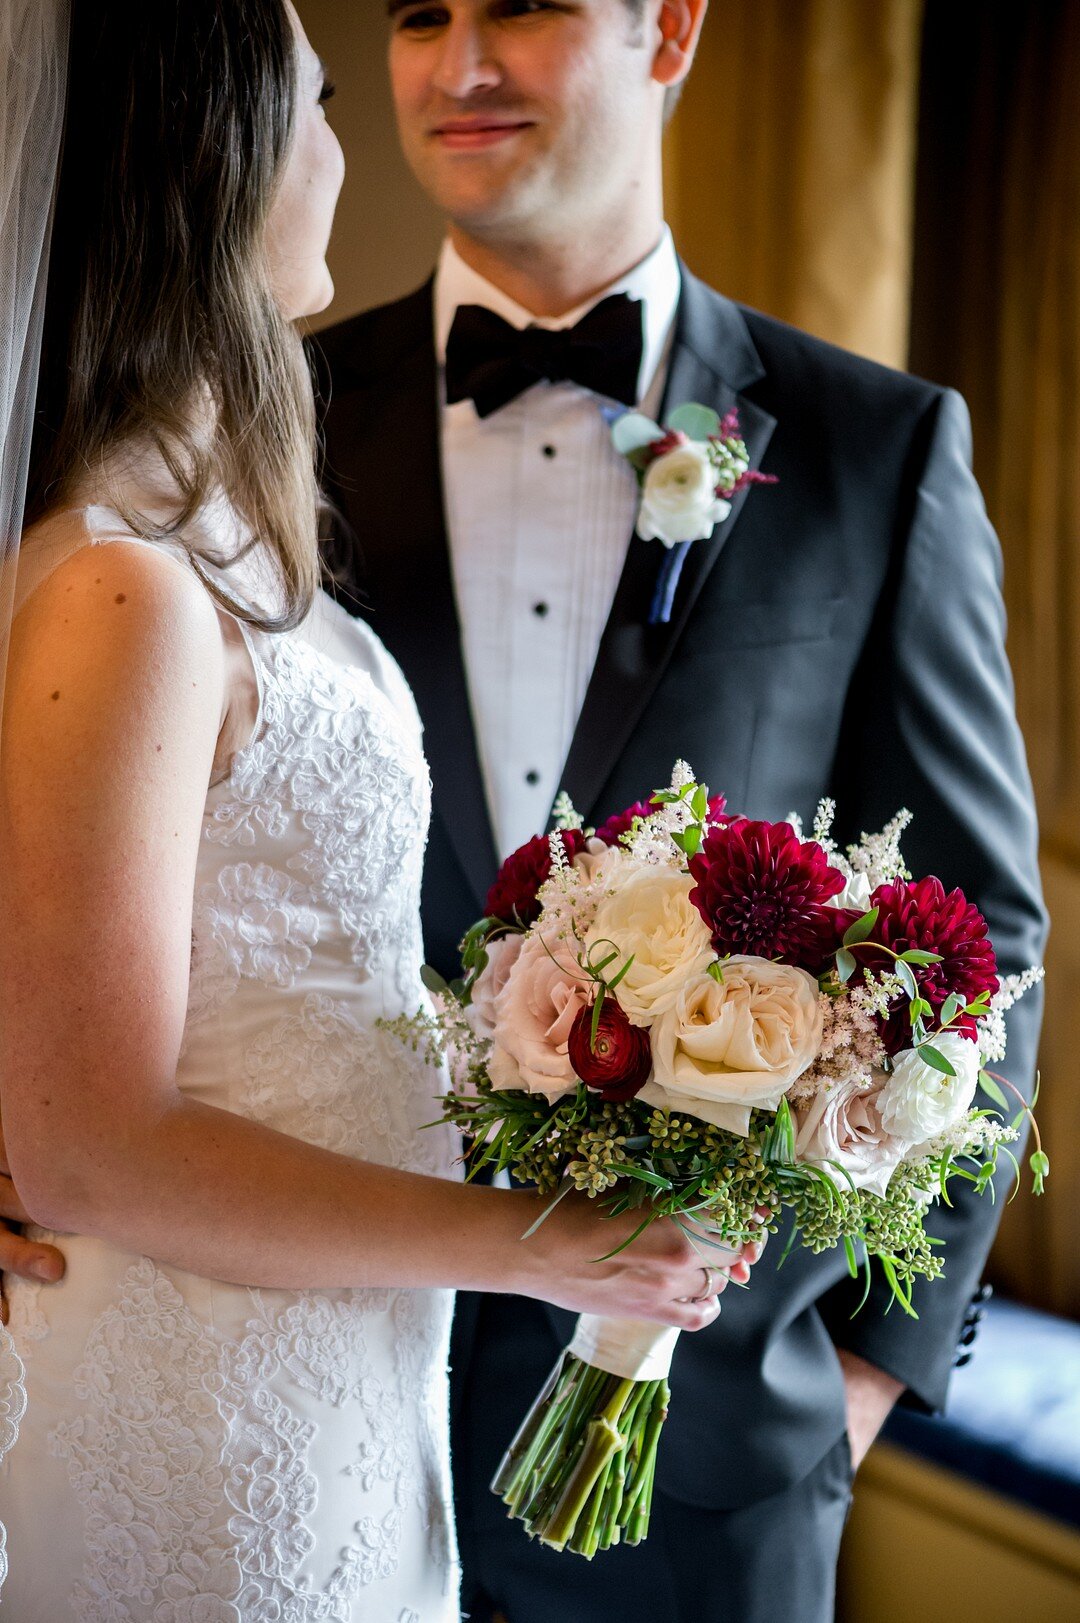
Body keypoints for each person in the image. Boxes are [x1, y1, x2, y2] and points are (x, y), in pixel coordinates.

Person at [0, 4, 757, 1616]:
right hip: (192, 1392)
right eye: (321, 95)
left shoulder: (216, 543)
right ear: (218, 160)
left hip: (343, 1375)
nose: (350, 141)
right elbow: (86, 1140)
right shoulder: (122, 590)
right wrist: (538, 1239)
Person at [306, 2, 1048, 1620]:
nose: (459, 64)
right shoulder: (255, 419)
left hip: (711, 1461)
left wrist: (866, 1379)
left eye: (525, 6)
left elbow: (984, 937)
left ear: (672, 30)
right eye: (420, 15)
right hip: (312, 1390)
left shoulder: (876, 447)